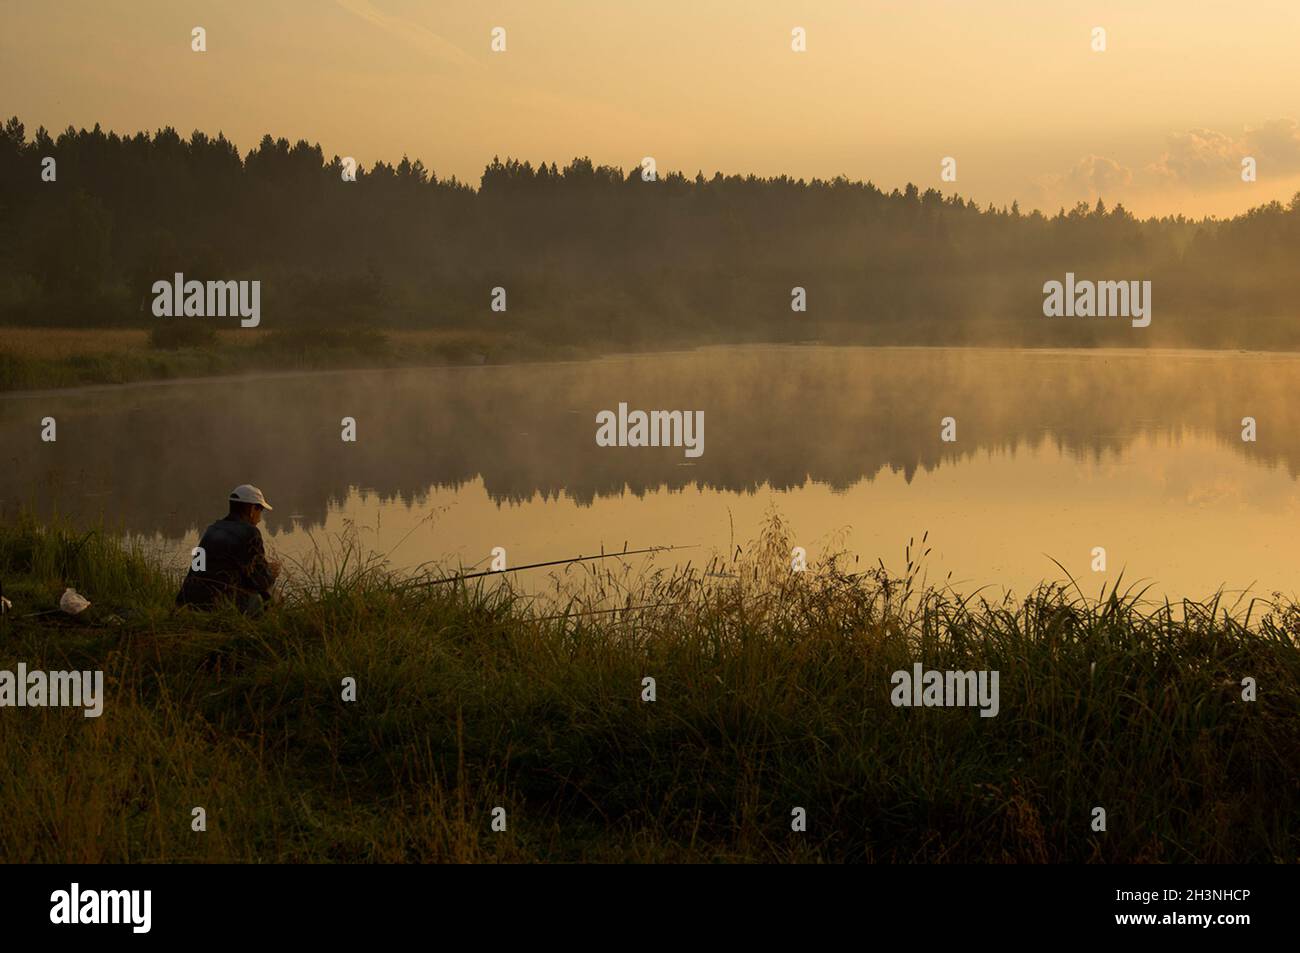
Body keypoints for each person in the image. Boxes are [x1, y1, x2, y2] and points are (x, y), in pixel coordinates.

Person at [177, 484, 281, 614]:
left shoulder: (212, 529)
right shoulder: (249, 532)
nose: (260, 517)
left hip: (189, 601)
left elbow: (198, 569)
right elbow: (261, 582)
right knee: (273, 594)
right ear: (252, 509)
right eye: (260, 510)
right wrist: (271, 573)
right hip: (219, 605)